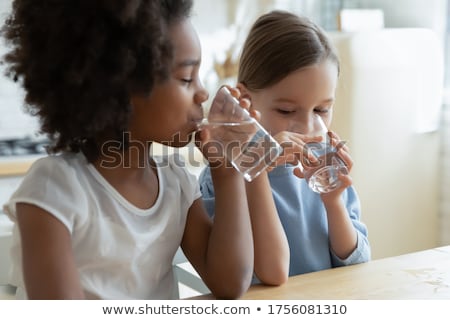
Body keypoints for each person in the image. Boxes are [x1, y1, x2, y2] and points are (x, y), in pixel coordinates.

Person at [1, 0, 258, 299]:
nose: (202, 92)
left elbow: (231, 282)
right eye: (187, 78)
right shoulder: (55, 191)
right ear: (119, 88)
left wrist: (227, 171)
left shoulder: (176, 182)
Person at [199, 10, 371, 281]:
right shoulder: (223, 177)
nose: (308, 127)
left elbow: (357, 265)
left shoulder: (325, 170)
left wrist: (334, 203)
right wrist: (256, 163)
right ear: (246, 100)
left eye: (322, 109)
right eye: (287, 111)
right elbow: (270, 274)